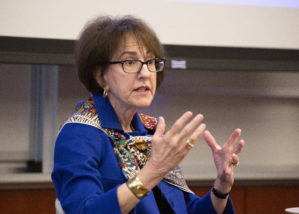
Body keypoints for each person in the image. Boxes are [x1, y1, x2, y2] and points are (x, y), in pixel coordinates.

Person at [51, 15, 245, 214]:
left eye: (150, 61)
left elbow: (186, 209)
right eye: (130, 62)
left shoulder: (150, 131)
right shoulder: (79, 135)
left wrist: (221, 187)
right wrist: (151, 173)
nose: (145, 73)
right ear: (100, 76)